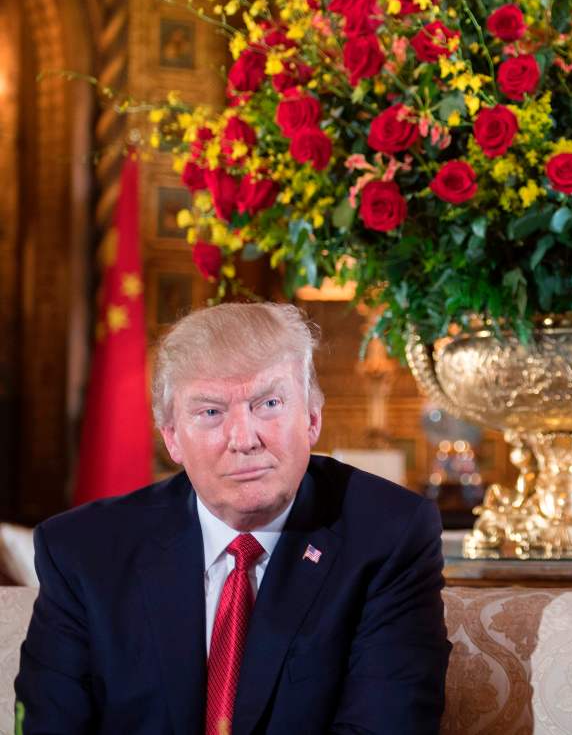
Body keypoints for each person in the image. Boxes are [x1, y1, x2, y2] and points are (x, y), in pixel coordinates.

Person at [16, 303, 450, 734]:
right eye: (210, 412)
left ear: (313, 418)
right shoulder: (83, 553)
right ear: (172, 439)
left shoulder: (389, 536)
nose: (244, 439)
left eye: (269, 403)